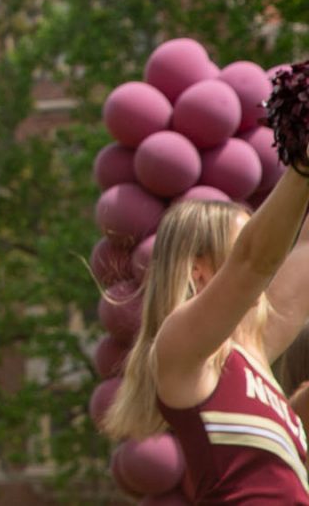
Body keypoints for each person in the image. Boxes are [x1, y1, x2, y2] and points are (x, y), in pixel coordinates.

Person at [104, 161, 309, 503]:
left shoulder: (254, 348)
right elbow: (254, 261)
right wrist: (301, 164)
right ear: (198, 269)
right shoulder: (180, 346)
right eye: (242, 241)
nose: (271, 258)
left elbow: (303, 250)